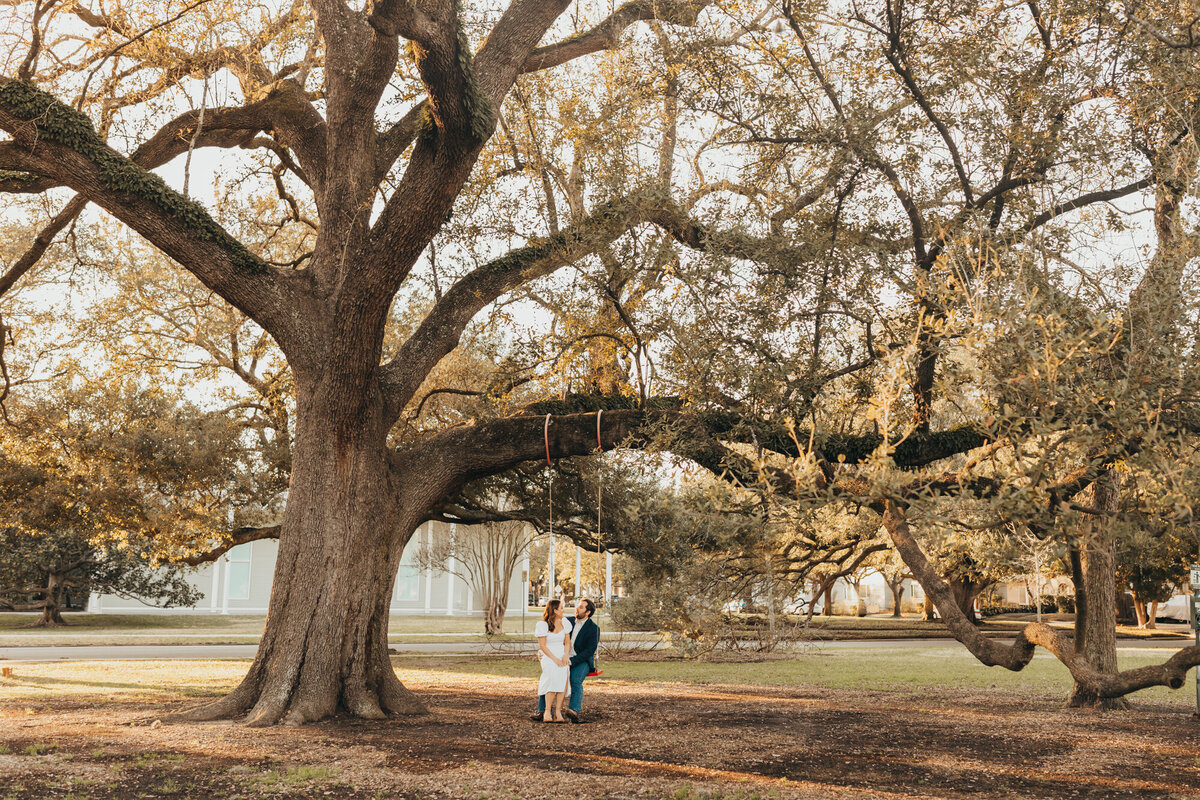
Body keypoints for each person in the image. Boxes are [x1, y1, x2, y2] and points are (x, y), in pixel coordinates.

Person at [532, 597, 599, 723]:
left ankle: (574, 710)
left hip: (581, 660)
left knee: (574, 679)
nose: (576, 608)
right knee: (551, 675)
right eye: (578, 606)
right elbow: (548, 641)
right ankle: (543, 711)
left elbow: (589, 651)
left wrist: (570, 660)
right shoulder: (566, 621)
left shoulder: (593, 628)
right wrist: (541, 652)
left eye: (581, 607)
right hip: (560, 656)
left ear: (588, 612)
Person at [534, 599, 571, 723]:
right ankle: (547, 711)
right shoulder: (542, 625)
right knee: (552, 678)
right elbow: (543, 646)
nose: (563, 610)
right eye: (561, 608)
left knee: (563, 678)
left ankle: (558, 712)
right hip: (548, 655)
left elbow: (567, 643)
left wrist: (565, 656)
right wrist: (555, 659)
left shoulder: (565, 623)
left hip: (561, 653)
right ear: (555, 610)